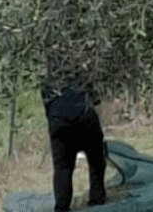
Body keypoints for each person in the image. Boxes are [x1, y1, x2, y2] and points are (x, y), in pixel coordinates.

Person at [41, 61, 107, 211]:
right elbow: (96, 98)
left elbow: (46, 103)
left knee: (62, 168)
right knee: (96, 161)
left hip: (59, 124)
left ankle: (62, 207)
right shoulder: (82, 72)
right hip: (85, 119)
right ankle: (97, 201)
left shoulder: (48, 77)